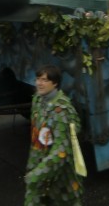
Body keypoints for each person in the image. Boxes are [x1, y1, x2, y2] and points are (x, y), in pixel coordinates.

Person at [24, 64, 83, 206]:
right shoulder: (37, 100)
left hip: (59, 174)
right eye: (38, 79)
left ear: (55, 83)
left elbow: (61, 151)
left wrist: (38, 174)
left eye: (45, 80)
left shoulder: (62, 111)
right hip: (39, 165)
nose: (39, 83)